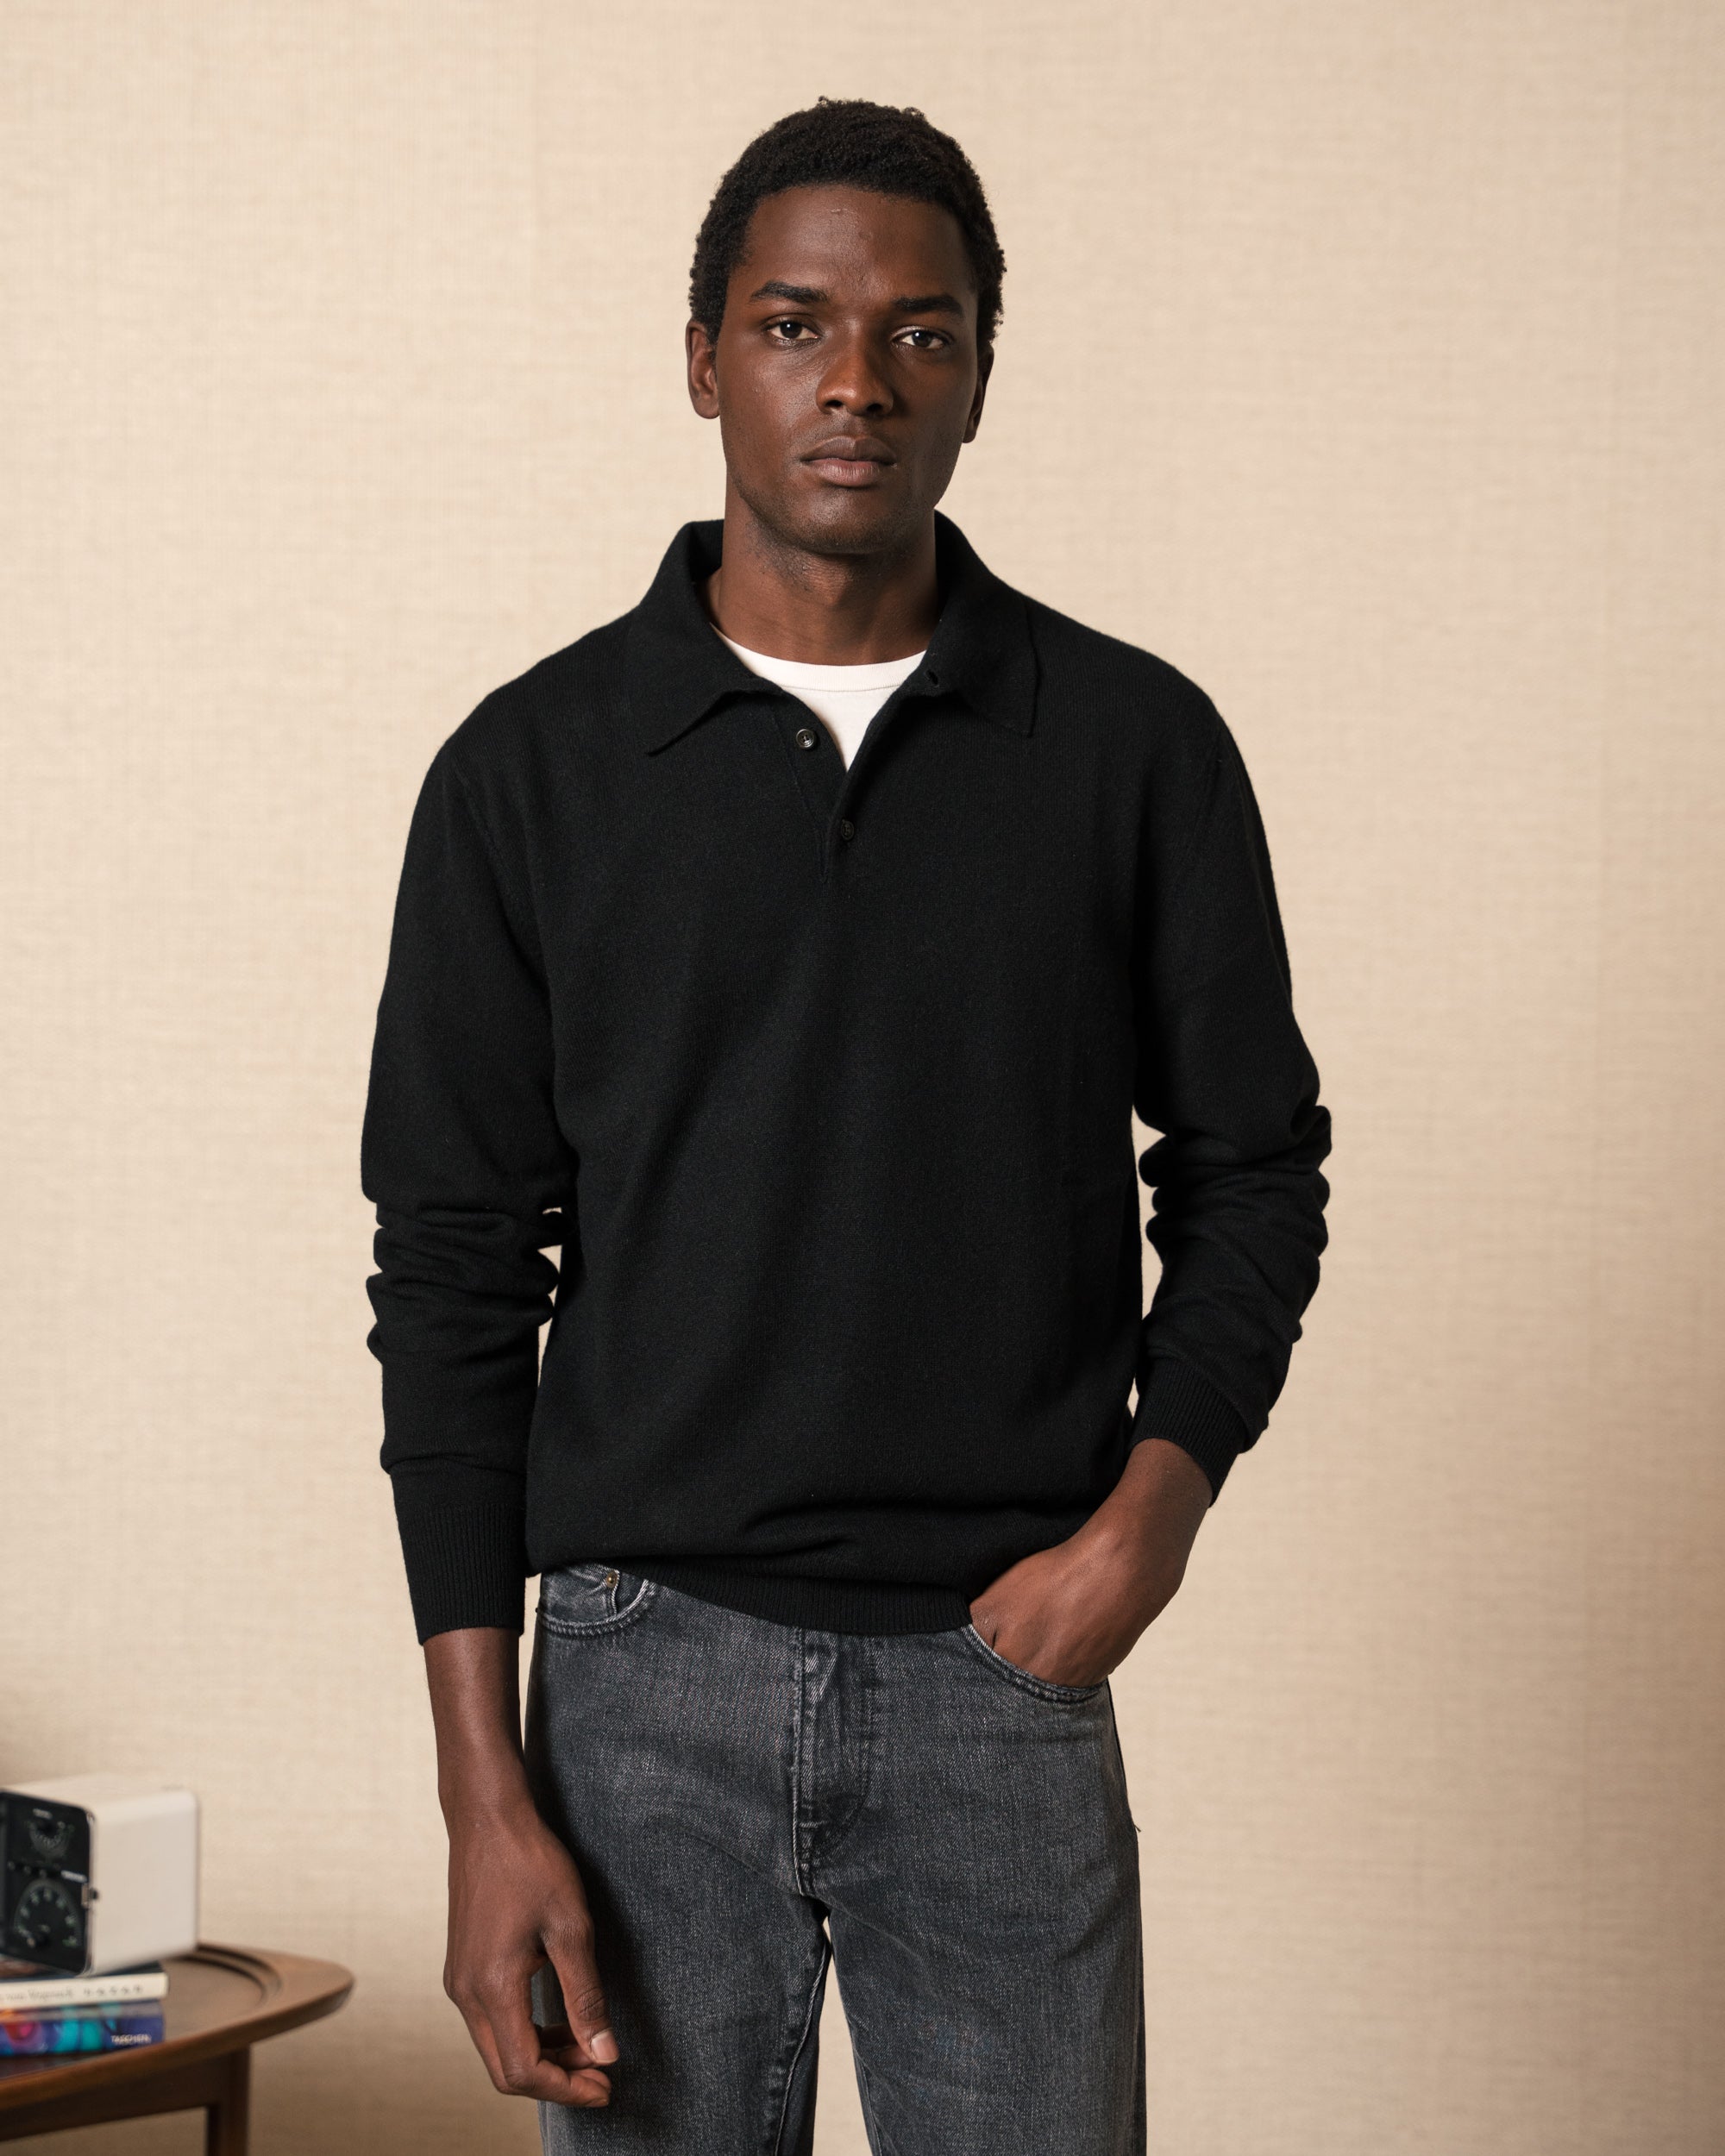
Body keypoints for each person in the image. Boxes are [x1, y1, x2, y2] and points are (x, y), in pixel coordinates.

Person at [361, 96, 1330, 2156]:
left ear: (979, 373)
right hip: (636, 1688)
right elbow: (451, 1274)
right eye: (795, 324)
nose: (857, 382)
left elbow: (1250, 1168)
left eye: (921, 332)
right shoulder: (528, 773)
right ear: (702, 358)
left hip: (1001, 1671)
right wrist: (481, 1784)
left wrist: (1146, 1524)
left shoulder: (1131, 746)